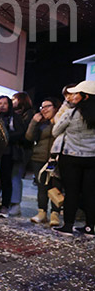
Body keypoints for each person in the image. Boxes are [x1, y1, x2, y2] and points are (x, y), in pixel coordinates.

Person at [51, 80, 95, 235]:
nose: (74, 96)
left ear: (86, 97)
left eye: (77, 93)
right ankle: (90, 227)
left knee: (72, 192)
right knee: (90, 193)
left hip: (71, 157)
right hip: (92, 159)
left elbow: (55, 131)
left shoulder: (71, 113)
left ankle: (68, 225)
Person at [27, 99, 61, 226]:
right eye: (42, 106)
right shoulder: (41, 123)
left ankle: (55, 214)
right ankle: (42, 213)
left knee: (55, 186)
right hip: (39, 158)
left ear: (55, 107)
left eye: (48, 106)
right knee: (42, 187)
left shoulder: (60, 121)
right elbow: (29, 137)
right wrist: (34, 122)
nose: (44, 109)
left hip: (55, 160)